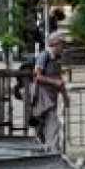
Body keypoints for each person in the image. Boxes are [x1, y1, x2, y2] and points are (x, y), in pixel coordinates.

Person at [30, 23, 69, 152]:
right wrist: (54, 82)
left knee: (48, 129)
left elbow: (59, 81)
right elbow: (37, 76)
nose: (63, 48)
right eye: (62, 44)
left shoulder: (56, 59)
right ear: (55, 44)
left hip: (51, 100)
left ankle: (48, 152)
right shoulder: (44, 56)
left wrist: (65, 96)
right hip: (42, 99)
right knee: (50, 128)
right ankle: (52, 154)